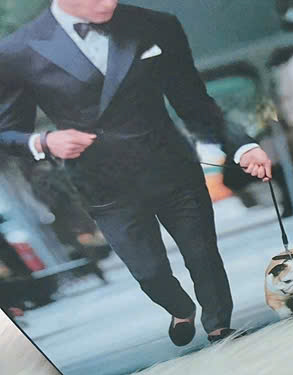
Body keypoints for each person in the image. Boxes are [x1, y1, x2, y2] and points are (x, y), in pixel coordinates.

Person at [0, 0, 275, 346]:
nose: (109, 3)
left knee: (203, 254)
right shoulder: (17, 50)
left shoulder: (156, 24)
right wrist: (44, 141)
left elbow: (194, 101)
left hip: (171, 164)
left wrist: (242, 146)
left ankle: (219, 326)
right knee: (149, 273)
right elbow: (7, 131)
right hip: (103, 182)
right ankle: (180, 308)